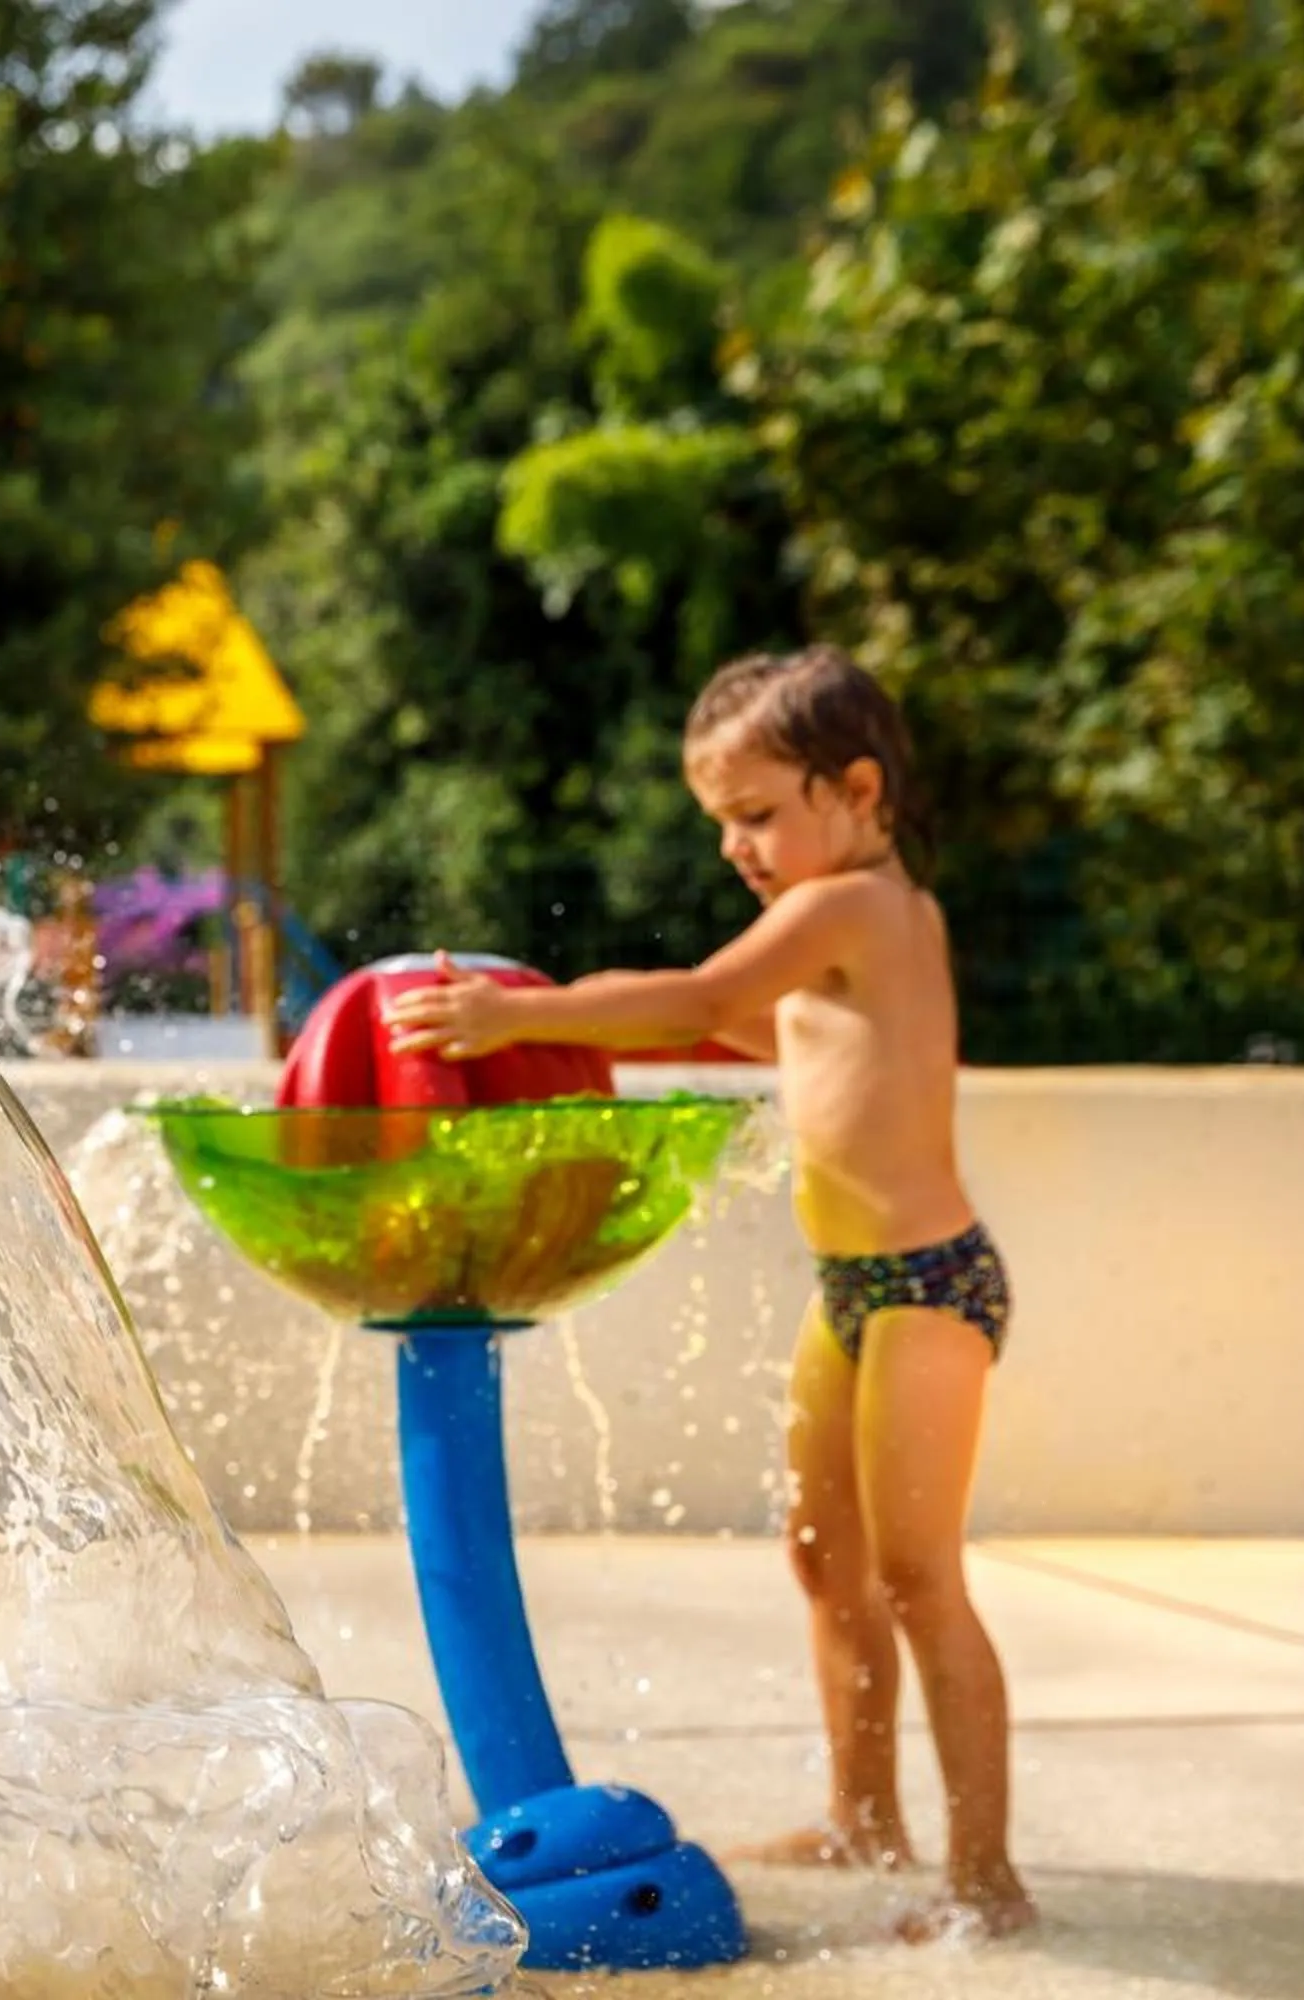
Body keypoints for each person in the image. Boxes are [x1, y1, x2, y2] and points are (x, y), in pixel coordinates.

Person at [384, 646, 1034, 1941]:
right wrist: (578, 1021)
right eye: (720, 823)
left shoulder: (850, 903)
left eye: (754, 815)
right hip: (851, 1291)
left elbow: (709, 993)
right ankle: (864, 1815)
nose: (735, 845)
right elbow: (747, 1029)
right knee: (824, 1562)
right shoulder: (853, 920)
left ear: (856, 789)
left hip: (929, 1287)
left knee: (917, 1577)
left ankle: (986, 1882)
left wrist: (519, 1020)